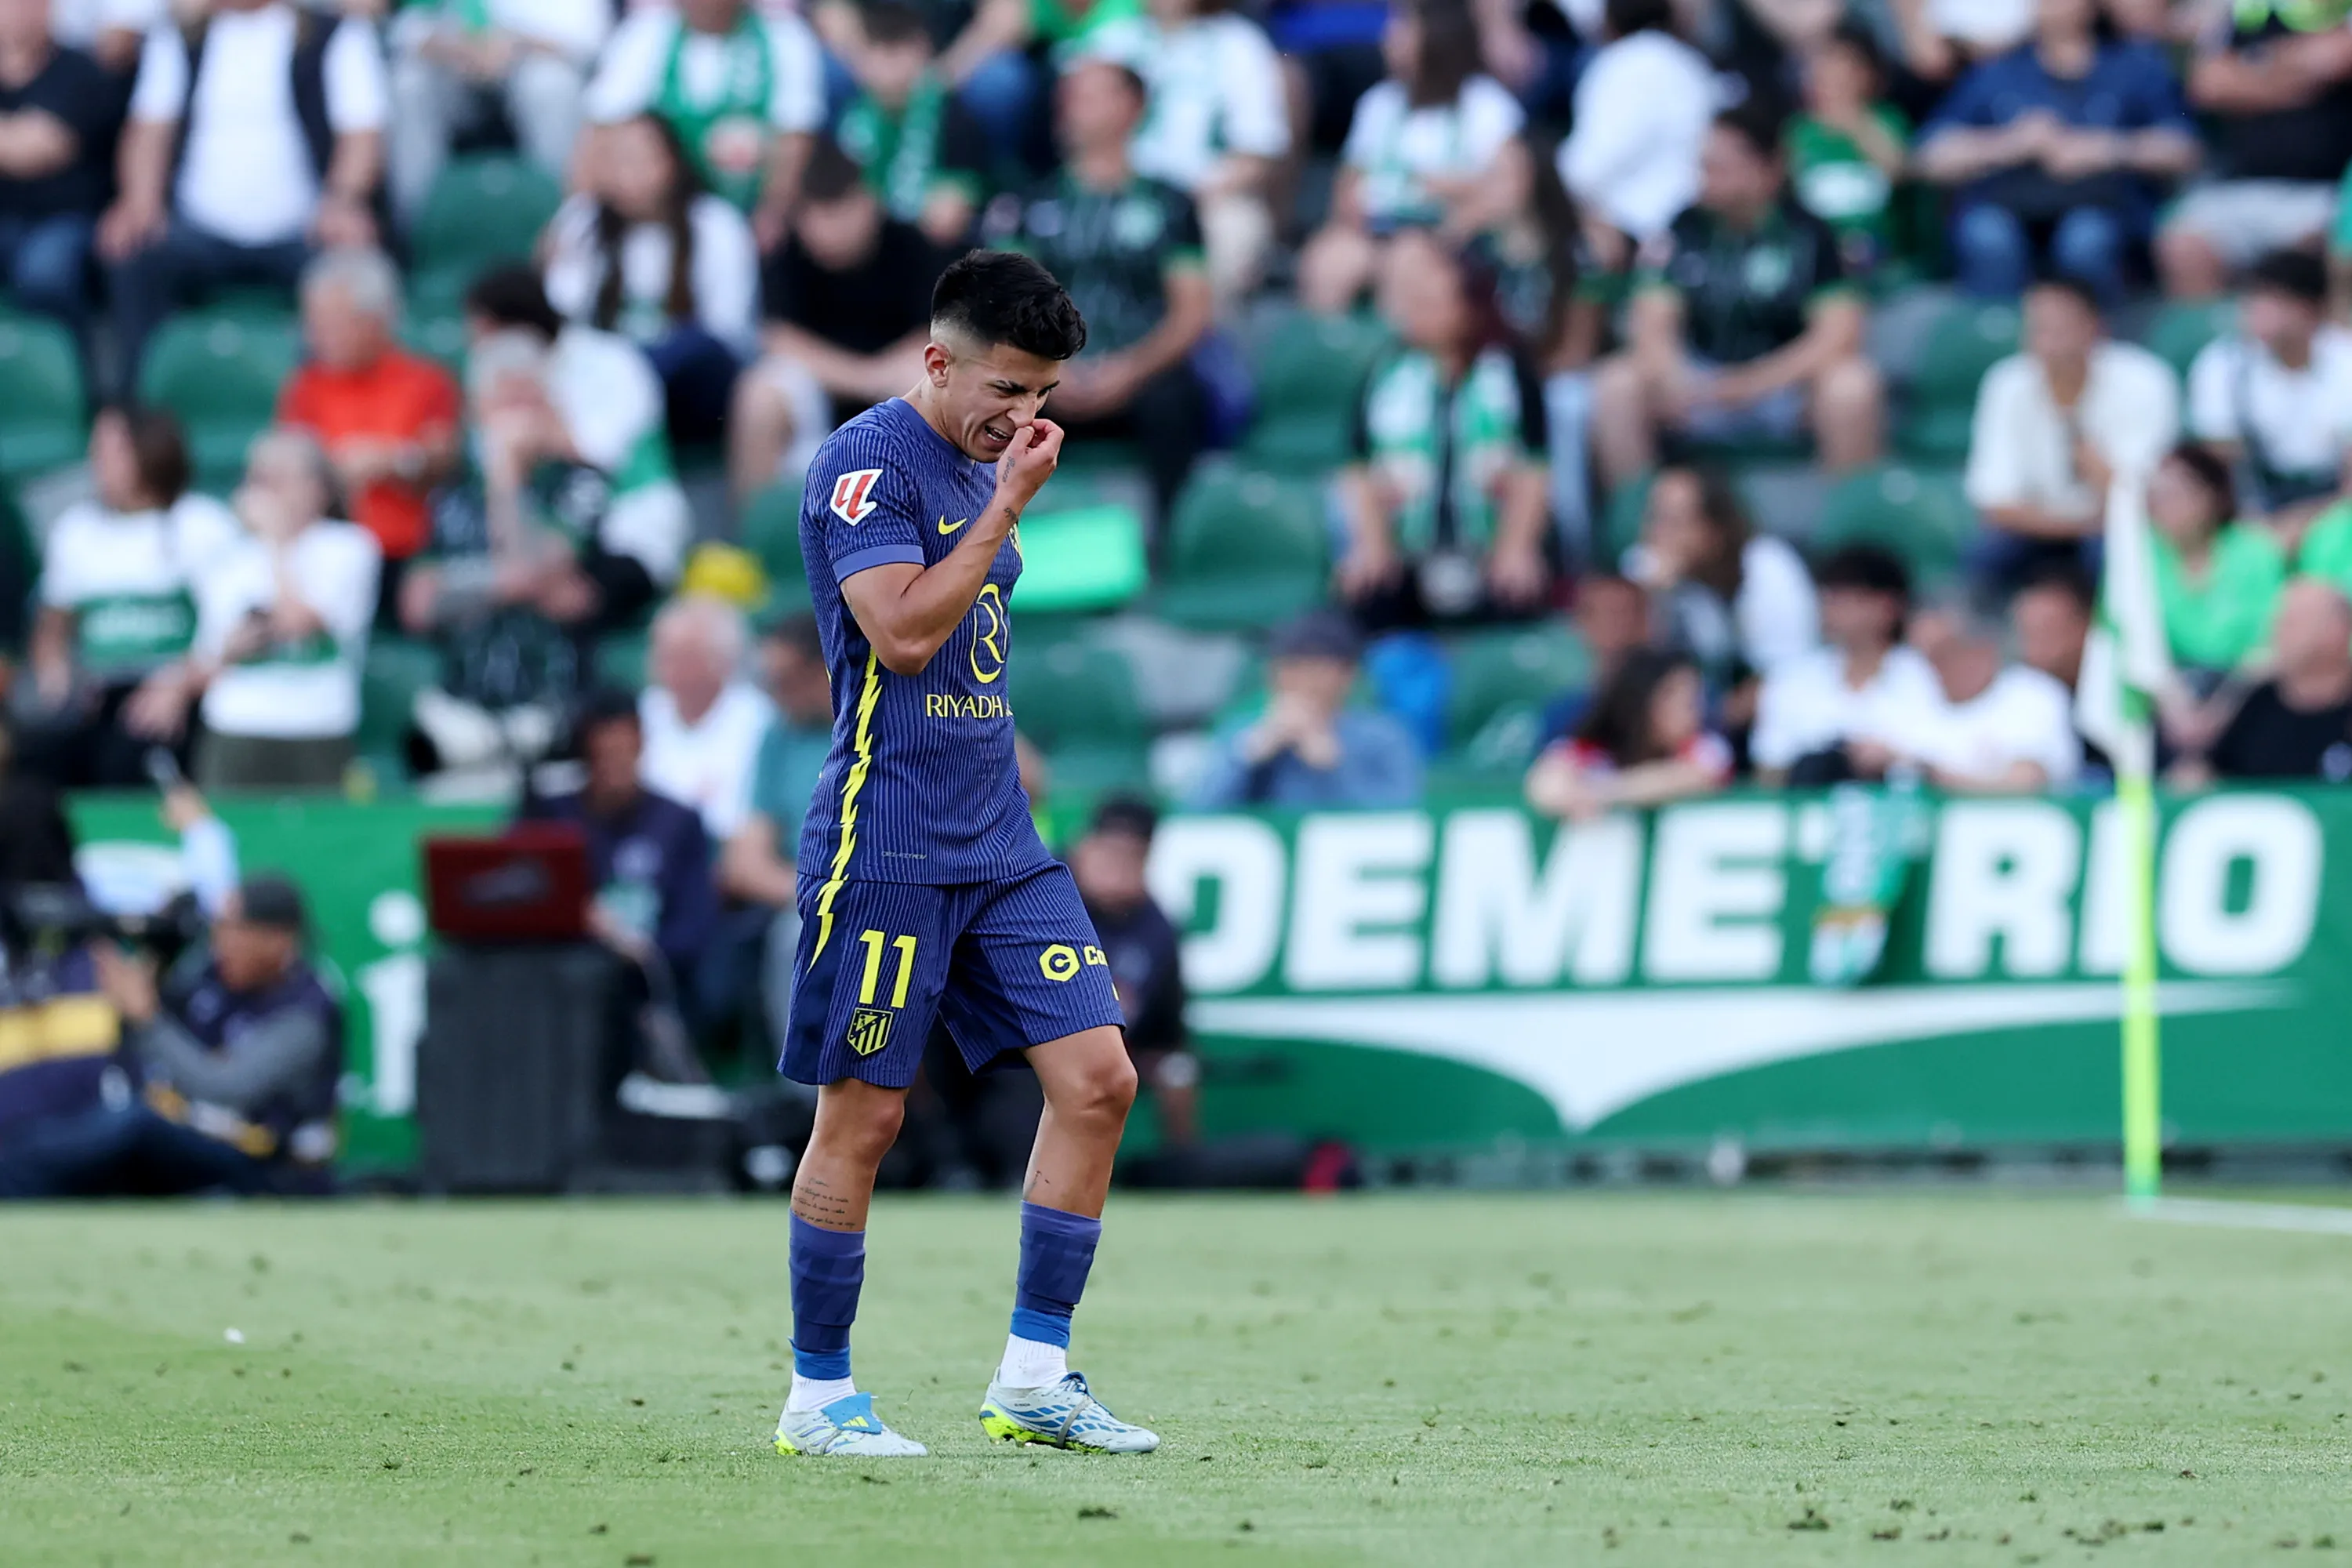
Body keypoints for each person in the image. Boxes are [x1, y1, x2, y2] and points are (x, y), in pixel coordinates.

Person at [773, 249, 1156, 1457]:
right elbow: (898, 636)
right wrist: (1003, 509)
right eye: (1008, 388)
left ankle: (1034, 1378)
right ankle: (818, 1398)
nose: (1025, 417)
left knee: (1100, 1082)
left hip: (999, 839)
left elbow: (973, 646)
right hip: (885, 844)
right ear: (937, 360)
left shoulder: (990, 459)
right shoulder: (863, 464)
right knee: (866, 1120)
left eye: (1044, 396)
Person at [400, 332, 677, 779]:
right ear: (477, 412)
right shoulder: (451, 495)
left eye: (528, 401)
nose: (517, 419)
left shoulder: (578, 482)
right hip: (460, 715)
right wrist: (509, 583)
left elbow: (530, 565)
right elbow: (417, 604)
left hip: (555, 716)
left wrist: (505, 478)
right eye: (504, 403)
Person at [100, 0, 388, 391]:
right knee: (134, 258)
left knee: (352, 271)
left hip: (304, 229)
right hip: (200, 229)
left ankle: (327, 410)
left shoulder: (335, 32)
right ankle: (140, 414)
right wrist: (139, 200)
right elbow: (150, 128)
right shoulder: (180, 36)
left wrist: (343, 200)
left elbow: (362, 134)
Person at [1589, 107, 1882, 492]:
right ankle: (1639, 525)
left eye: (1718, 167)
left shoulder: (1811, 235)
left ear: (1768, 169)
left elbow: (1838, 335)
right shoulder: (1684, 227)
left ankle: (1848, 530)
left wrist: (1747, 386)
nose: (1704, 179)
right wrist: (1675, 377)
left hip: (1782, 388)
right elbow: (1653, 322)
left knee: (1852, 386)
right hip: (1700, 382)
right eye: (1702, 166)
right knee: (1617, 384)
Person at [0, 875, 342, 1198]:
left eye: (233, 928)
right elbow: (157, 1033)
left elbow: (224, 1089)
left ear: (278, 939)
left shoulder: (304, 1012)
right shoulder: (214, 980)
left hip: (265, 1166)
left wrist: (147, 1018)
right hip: (190, 1142)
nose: (219, 940)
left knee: (134, 1123)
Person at [990, 56, 1212, 528]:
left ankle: (1174, 545)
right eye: (1067, 95)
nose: (1070, 106)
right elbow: (1005, 307)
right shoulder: (1029, 204)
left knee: (1175, 400)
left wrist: (1130, 370)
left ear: (1132, 107)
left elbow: (1191, 312)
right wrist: (1054, 373)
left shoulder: (1172, 203)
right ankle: (999, 547)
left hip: (1143, 374)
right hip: (1050, 379)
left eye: (1088, 95)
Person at [1335, 230, 1550, 630]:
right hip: (1408, 543)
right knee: (1365, 598)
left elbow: (1534, 464)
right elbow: (1357, 466)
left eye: (1434, 305)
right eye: (1416, 305)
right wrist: (1371, 543)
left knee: (1519, 595)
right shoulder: (1386, 371)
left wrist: (1516, 546)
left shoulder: (1509, 372)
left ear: (1469, 308)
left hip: (1487, 539)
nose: (1420, 316)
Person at [1912, 0, 2196, 302]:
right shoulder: (1998, 71)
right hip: (2010, 201)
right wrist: (2009, 144)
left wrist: (2106, 149)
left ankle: (2094, 337)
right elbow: (1930, 154)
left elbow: (2183, 148)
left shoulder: (2135, 66)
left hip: (2102, 203)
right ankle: (1995, 337)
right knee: (1987, 237)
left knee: (2086, 239)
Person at [21, 408, 238, 789]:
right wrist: (56, 675)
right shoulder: (77, 529)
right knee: (36, 758)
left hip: (178, 691)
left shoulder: (201, 524)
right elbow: (54, 621)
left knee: (131, 754)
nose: (97, 465)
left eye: (109, 453)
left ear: (148, 451)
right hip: (100, 690)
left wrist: (179, 685)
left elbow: (230, 627)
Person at [730, 140, 942, 500]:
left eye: (844, 210)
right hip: (820, 391)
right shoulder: (786, 255)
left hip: (899, 386)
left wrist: (883, 379)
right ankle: (757, 541)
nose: (833, 228)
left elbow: (939, 330)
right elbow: (780, 339)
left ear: (869, 201)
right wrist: (865, 378)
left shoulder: (910, 244)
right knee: (759, 395)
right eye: (820, 215)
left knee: (931, 381)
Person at [519, 688, 718, 1060]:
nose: (613, 767)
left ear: (641, 744)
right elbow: (511, 890)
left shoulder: (678, 823)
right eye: (600, 755)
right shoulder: (546, 815)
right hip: (557, 979)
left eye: (623, 751)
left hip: (644, 993)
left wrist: (635, 949)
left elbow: (694, 930)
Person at [1296, 0, 1529, 315]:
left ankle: (1400, 360)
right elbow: (1347, 184)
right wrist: (1354, 216)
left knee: (1408, 260)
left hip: (1452, 237)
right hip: (1378, 229)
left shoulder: (1485, 104)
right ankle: (1331, 357)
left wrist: (1455, 197)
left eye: (1402, 29)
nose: (1387, 37)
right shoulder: (1379, 104)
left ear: (1437, 35)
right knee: (1328, 260)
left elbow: (1512, 189)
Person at [543, 113, 758, 446]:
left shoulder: (716, 225)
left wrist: (637, 366)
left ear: (672, 162)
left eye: (637, 160)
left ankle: (598, 441)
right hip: (603, 377)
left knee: (696, 345)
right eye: (614, 161)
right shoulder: (582, 221)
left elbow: (726, 333)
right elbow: (564, 316)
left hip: (688, 387)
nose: (625, 174)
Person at [462, 266, 691, 575]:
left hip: (630, 526)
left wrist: (542, 430)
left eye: (483, 331)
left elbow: (606, 459)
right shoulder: (500, 375)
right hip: (545, 535)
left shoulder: (611, 362)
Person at [1963, 276, 2177, 593]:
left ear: (2096, 327)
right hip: (2044, 527)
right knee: (1985, 554)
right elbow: (1994, 503)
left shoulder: (2145, 380)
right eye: (2038, 328)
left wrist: (2079, 434)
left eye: (2060, 328)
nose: (2049, 343)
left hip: (2112, 530)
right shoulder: (2005, 383)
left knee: (2114, 550)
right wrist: (2076, 525)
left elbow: (2140, 497)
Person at [276, 247, 462, 590]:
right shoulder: (305, 387)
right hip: (327, 549)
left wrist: (392, 461)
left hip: (405, 551)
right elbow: (287, 462)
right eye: (313, 324)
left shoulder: (425, 382)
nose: (317, 337)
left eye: (333, 324)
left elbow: (443, 458)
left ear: (377, 321)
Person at [583, 0, 824, 250]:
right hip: (665, 218)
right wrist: (579, 217)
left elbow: (795, 138)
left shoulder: (783, 35)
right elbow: (602, 132)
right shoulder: (647, 33)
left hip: (751, 214)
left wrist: (773, 213)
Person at [2156, 0, 2352, 300]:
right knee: (2183, 245)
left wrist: (2250, 70)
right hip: (2240, 186)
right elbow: (2210, 84)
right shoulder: (2241, 11)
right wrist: (2297, 79)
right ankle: (2218, 344)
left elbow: (2335, 57)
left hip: (2325, 191)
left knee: (2315, 247)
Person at [1114, 0, 1289, 308]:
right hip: (1117, 192)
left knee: (1232, 229)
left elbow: (1258, 154)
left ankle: (1198, 349)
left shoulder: (1239, 44)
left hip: (1207, 198)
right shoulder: (1112, 40)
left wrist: (1183, 201)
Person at [717, 612, 833, 1049]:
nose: (774, 694)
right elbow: (743, 862)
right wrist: (817, 895)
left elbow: (1028, 779)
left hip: (904, 884)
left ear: (825, 668)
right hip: (813, 899)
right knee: (799, 938)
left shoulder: (894, 715)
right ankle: (810, 1103)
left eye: (783, 680)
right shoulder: (778, 737)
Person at [385, 0, 605, 227]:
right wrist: (457, 48)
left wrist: (513, 44)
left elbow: (588, 42)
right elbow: (405, 30)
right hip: (457, 65)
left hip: (531, 64)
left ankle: (565, 221)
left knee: (549, 85)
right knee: (409, 84)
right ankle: (420, 227)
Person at [2184, 249, 2352, 533]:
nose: (2257, 312)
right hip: (2255, 512)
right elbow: (2221, 467)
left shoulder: (2346, 361)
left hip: (2339, 508)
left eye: (2274, 301)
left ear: (2311, 310)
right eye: (2253, 299)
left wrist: (2303, 522)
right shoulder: (2222, 366)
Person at [1189, 608, 1425, 808]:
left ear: (1347, 675)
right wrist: (1248, 759)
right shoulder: (1243, 732)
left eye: (1315, 670)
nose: (1302, 681)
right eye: (1291, 668)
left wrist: (1333, 766)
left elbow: (1407, 814)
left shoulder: (1384, 736)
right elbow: (1194, 812)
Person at [1749, 543, 1940, 786]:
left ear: (1888, 606)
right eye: (1829, 595)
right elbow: (1768, 772)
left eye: (1848, 597)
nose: (1832, 607)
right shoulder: (1791, 680)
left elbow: (1947, 760)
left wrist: (1894, 760)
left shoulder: (1924, 677)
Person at [1067, 796, 1192, 1148]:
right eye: (1109, 851)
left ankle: (1178, 1167)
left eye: (1131, 856)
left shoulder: (1156, 928)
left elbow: (1168, 1033)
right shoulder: (1040, 896)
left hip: (1116, 1048)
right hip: (1027, 1045)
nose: (1116, 867)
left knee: (1177, 1069)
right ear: (1084, 847)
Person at [1622, 463, 1816, 690]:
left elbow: (1787, 673)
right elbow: (1632, 675)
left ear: (1715, 529)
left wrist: (1718, 717)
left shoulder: (1768, 564)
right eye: (1655, 518)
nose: (1660, 533)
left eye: (1676, 522)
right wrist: (1659, 599)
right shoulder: (1643, 568)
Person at [1555, 0, 1715, 254]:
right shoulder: (1688, 59)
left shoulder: (1627, 64)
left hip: (1649, 235)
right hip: (1691, 222)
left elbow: (1591, 164)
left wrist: (1545, 179)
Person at [0, 0, 116, 334]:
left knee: (45, 274)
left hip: (63, 218)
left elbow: (38, 151)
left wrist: (24, 140)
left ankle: (71, 374)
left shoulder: (80, 69)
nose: (19, 12)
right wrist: (18, 130)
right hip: (6, 217)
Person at [1878, 603, 2081, 791]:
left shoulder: (2035, 695)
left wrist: (1931, 773)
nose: (1931, 666)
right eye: (1921, 654)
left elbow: (2027, 781)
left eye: (1942, 652)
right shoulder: (1906, 692)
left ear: (1983, 648)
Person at [835, 1, 988, 249]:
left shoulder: (954, 114)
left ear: (922, 51)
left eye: (895, 52)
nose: (887, 70)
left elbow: (959, 197)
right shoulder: (852, 120)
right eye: (876, 52)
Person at [2175, 579, 2352, 785]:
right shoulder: (2256, 701)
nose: (2278, 631)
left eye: (2293, 622)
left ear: (2338, 630)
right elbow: (2200, 771)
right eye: (2278, 620)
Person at [1524, 648, 1731, 820]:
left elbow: (1694, 776)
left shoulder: (1706, 746)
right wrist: (1571, 796)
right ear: (1642, 701)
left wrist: (1602, 793)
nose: (1694, 710)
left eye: (1694, 700)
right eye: (1681, 700)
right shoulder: (1592, 749)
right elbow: (1543, 786)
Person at [639, 594, 772, 842]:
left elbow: (739, 821)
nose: (668, 668)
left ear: (723, 660)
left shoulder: (760, 720)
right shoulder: (644, 712)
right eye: (663, 655)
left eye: (684, 656)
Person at [2145, 441, 2284, 681]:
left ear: (2212, 494)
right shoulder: (2140, 561)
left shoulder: (2254, 551)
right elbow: (2132, 647)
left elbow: (2273, 638)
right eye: (2157, 497)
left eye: (2176, 494)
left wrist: (2226, 700)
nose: (2165, 506)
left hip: (2249, 685)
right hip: (2172, 690)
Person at [1784, 20, 1909, 275]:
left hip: (1878, 249)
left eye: (1841, 65)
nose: (1828, 74)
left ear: (1867, 74)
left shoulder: (1887, 121)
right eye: (1820, 64)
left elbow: (1897, 171)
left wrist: (1853, 122)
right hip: (1819, 250)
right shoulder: (1797, 132)